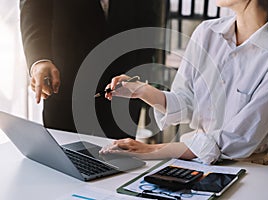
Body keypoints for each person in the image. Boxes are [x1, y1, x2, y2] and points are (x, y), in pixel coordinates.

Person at [100, 0, 268, 165]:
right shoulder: (206, 33)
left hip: (251, 171)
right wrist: (141, 91)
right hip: (198, 162)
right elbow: (187, 101)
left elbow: (236, 140)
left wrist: (151, 150)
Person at [20, 0, 165, 138]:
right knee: (62, 160)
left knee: (120, 161)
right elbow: (34, 8)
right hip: (66, 87)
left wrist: (138, 71)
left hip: (124, 91)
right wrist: (39, 60)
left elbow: (149, 17)